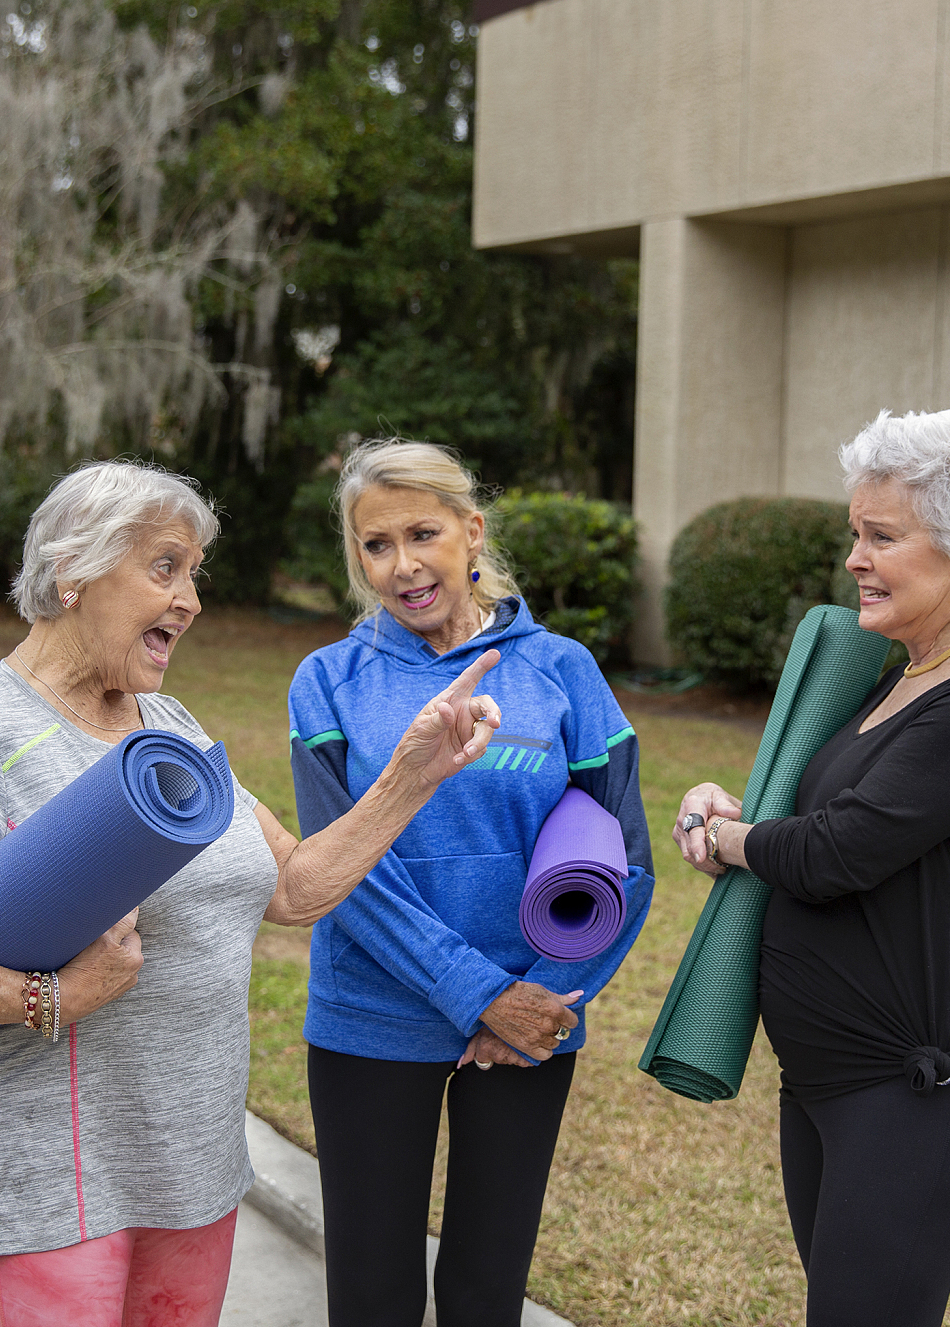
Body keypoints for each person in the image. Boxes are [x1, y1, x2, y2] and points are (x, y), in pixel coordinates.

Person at [0, 458, 504, 1327]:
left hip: (194, 1160)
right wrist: (47, 995)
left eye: (193, 573)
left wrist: (413, 773)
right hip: (58, 1176)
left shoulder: (166, 725)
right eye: (165, 567)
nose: (192, 599)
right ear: (72, 572)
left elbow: (291, 886)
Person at [674, 409, 950, 1327]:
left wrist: (737, 844)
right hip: (836, 1077)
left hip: (928, 1085)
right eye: (856, 532)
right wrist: (734, 812)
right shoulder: (905, 670)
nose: (855, 556)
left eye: (882, 536)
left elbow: (836, 852)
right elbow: (828, 824)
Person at [287, 438, 654, 1327]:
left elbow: (627, 861)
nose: (404, 564)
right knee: (372, 1295)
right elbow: (344, 869)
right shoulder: (327, 682)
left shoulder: (564, 670)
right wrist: (480, 994)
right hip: (373, 1018)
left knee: (488, 1293)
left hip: (531, 1022)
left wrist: (544, 998)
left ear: (471, 531)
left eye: (423, 533)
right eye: (376, 545)